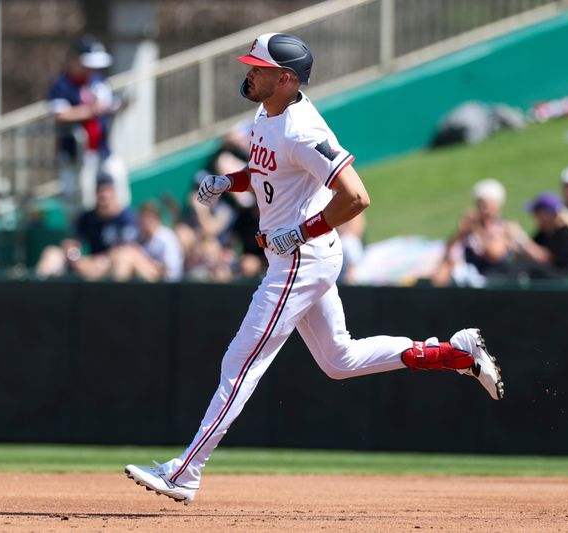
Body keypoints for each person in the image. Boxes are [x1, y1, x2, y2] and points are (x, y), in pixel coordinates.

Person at [124, 33, 504, 505]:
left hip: (300, 259)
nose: (249, 73)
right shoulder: (268, 112)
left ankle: (186, 471)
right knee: (338, 361)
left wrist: (303, 231)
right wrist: (229, 181)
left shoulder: (304, 129)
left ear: (284, 79)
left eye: (258, 68)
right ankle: (455, 353)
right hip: (298, 255)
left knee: (240, 363)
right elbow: (269, 172)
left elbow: (357, 196)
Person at [48, 37, 129, 209]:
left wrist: (117, 106)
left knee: (117, 185)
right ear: (76, 60)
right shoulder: (62, 85)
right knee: (82, 200)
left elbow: (109, 102)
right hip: (76, 153)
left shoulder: (97, 80)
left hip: (102, 149)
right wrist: (90, 110)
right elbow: (59, 114)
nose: (91, 69)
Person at [35, 176, 136, 279]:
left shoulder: (125, 218)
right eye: (100, 192)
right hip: (87, 263)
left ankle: (118, 294)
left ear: (114, 194)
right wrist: (73, 254)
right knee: (52, 253)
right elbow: (72, 242)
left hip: (109, 264)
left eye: (106, 192)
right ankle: (37, 291)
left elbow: (126, 249)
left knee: (119, 259)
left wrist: (93, 262)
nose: (103, 196)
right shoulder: (88, 217)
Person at [431, 179, 518, 287]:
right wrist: (462, 232)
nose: (484, 210)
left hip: (496, 278)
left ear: (497, 206)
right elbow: (448, 250)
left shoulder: (505, 227)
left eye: (487, 205)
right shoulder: (471, 228)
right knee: (443, 270)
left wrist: (477, 228)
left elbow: (495, 254)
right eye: (480, 204)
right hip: (472, 276)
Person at [513, 192, 568, 280]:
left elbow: (546, 259)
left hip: (565, 284)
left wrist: (520, 238)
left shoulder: (566, 236)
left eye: (536, 213)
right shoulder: (543, 234)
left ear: (545, 215)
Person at [108, 201, 184, 282]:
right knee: (122, 256)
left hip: (166, 283)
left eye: (148, 218)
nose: (144, 222)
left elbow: (170, 270)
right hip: (146, 279)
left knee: (129, 255)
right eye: (142, 218)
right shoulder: (138, 236)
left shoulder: (166, 237)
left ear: (157, 219)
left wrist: (141, 257)